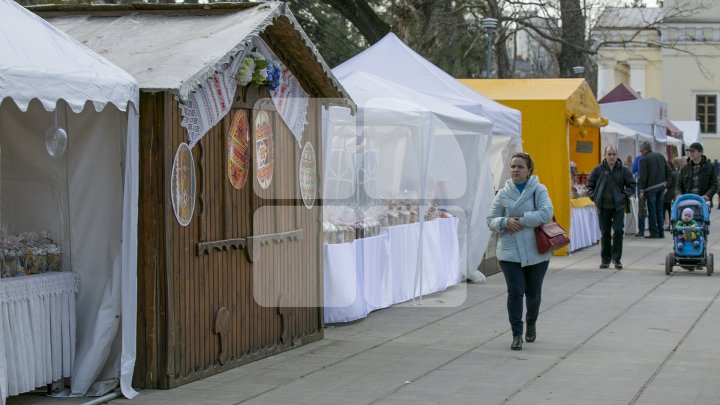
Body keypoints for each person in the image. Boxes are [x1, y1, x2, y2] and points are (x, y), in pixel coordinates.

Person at [487, 152, 552, 351]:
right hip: (509, 251)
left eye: (520, 167)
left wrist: (521, 221)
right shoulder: (503, 193)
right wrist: (506, 222)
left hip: (535, 251)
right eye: (513, 166)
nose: (515, 170)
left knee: (533, 294)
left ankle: (531, 322)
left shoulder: (539, 189)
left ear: (529, 170)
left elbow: (546, 213)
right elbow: (490, 219)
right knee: (515, 292)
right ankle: (517, 333)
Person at [587, 146, 636, 270]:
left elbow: (632, 185)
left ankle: (616, 259)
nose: (612, 157)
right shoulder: (598, 170)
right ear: (605, 155)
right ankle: (605, 260)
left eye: (614, 154)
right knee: (605, 233)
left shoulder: (623, 170)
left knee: (619, 231)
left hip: (618, 206)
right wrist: (594, 197)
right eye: (609, 154)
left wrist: (624, 195)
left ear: (617, 155)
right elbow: (589, 185)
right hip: (603, 206)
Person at [638, 141, 671, 238]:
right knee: (659, 210)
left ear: (645, 150)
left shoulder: (644, 160)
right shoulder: (660, 156)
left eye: (641, 151)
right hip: (661, 186)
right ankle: (661, 232)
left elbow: (643, 177)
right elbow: (668, 170)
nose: (641, 153)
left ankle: (654, 232)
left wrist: (642, 190)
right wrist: (666, 184)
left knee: (652, 210)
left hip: (650, 188)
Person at [676, 142, 718, 208]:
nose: (690, 153)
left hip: (703, 202)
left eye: (693, 151)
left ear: (701, 152)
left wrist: (707, 195)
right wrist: (678, 194)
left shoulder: (710, 167)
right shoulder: (684, 168)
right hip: (687, 202)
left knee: (703, 218)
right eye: (689, 151)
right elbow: (678, 185)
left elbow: (714, 184)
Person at [663, 158, 679, 231]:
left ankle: (667, 225)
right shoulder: (676, 172)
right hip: (674, 193)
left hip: (668, 195)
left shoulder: (671, 174)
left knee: (665, 210)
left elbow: (668, 184)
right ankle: (671, 225)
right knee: (672, 211)